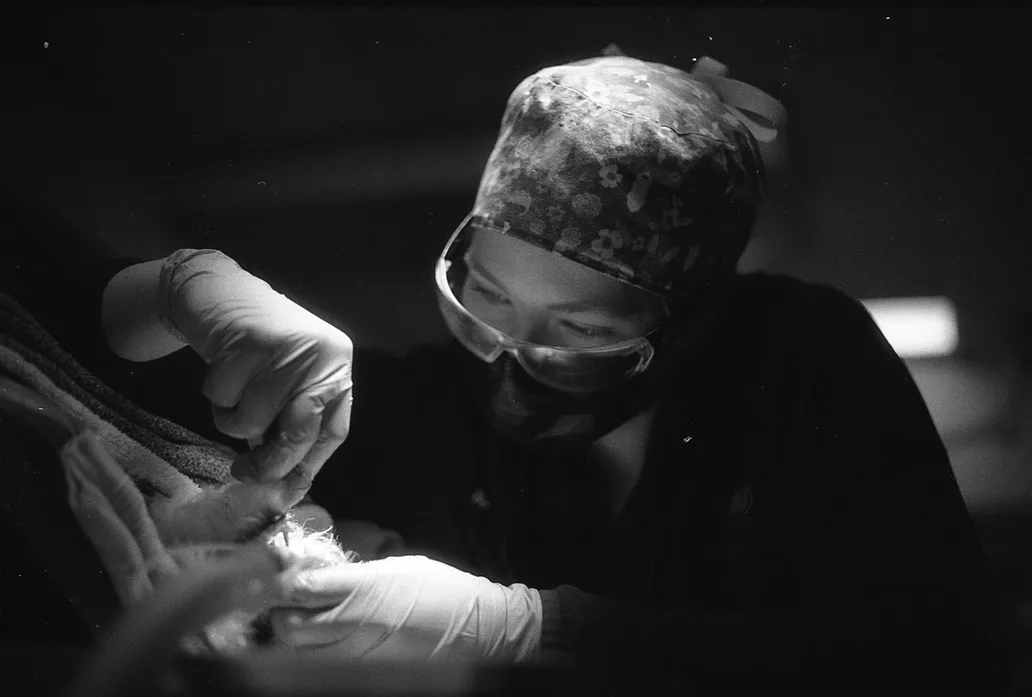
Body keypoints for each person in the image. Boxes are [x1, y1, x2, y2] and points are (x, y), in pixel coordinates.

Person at [5, 51, 1007, 693]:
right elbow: (121, 404)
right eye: (485, 296)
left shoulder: (802, 367)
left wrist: (531, 629)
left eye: (577, 329)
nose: (510, 358)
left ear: (690, 317)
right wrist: (167, 292)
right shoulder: (432, 408)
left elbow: (929, 658)